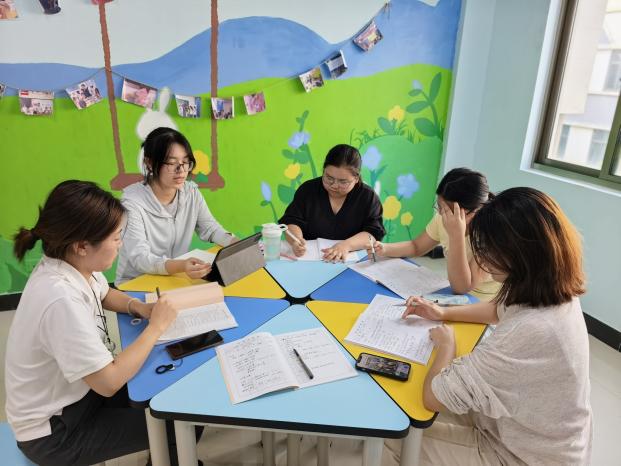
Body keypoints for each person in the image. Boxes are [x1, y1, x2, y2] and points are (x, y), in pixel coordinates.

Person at [402, 187, 592, 465]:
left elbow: (433, 397)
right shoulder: (550, 288)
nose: (482, 258)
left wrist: (448, 345)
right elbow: (497, 309)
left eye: (487, 249)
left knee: (399, 439)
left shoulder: (530, 330)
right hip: (533, 430)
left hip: (520, 454)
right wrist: (442, 311)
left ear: (520, 252)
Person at [5, 180, 180, 465]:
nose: (120, 245)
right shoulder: (59, 299)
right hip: (54, 434)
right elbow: (108, 382)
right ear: (82, 246)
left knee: (162, 390)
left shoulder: (70, 262)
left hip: (78, 398)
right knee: (175, 422)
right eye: (116, 238)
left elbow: (104, 292)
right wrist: (156, 327)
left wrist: (138, 307)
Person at [116, 127, 235, 285]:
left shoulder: (191, 193)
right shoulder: (132, 203)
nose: (181, 171)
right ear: (149, 163)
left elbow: (210, 229)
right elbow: (140, 258)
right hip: (136, 284)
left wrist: (234, 243)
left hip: (174, 278)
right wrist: (181, 266)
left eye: (185, 162)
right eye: (172, 163)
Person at [368, 168, 499, 300]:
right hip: (453, 293)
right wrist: (385, 248)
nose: (441, 213)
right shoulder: (443, 218)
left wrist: (456, 235)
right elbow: (416, 246)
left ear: (470, 211)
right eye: (439, 206)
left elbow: (462, 288)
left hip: (485, 302)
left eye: (446, 210)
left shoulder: (491, 233)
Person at [280, 144, 385, 262]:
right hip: (309, 259)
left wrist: (346, 246)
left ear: (356, 178)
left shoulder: (367, 196)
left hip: (352, 260)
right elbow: (292, 221)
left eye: (343, 182)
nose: (334, 185)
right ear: (323, 171)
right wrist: (296, 240)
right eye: (329, 178)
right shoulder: (308, 190)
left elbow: (373, 232)